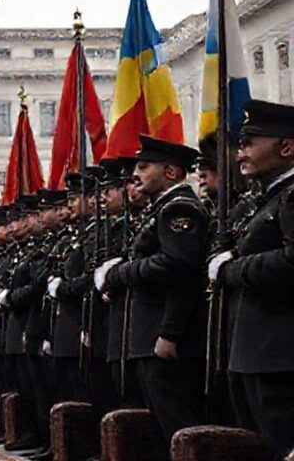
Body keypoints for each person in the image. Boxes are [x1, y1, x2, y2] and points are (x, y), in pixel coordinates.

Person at [96, 134, 209, 447]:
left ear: (170, 172)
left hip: (163, 338)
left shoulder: (179, 209)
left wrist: (120, 274)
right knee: (162, 429)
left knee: (179, 428)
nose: (136, 174)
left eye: (145, 167)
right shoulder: (162, 209)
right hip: (148, 337)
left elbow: (179, 268)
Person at [209, 99, 294, 459]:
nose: (239, 153)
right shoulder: (266, 200)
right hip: (252, 353)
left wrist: (231, 270)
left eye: (248, 143)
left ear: (286, 147)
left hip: (280, 356)